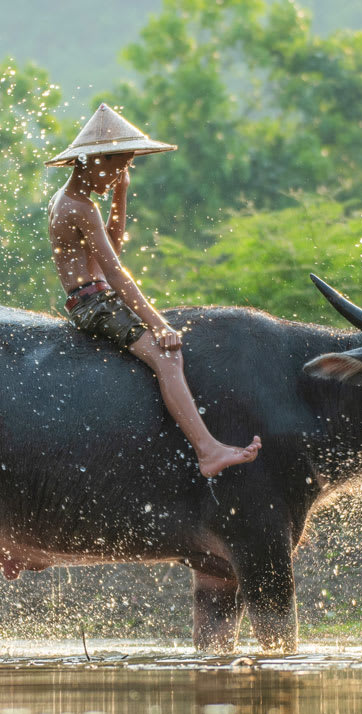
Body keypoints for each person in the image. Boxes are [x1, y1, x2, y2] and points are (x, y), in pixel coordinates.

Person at [46, 104, 261, 478]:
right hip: (95, 305)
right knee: (168, 358)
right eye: (117, 165)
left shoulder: (71, 201)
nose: (119, 175)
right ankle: (208, 450)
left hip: (92, 298)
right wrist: (158, 324)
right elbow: (115, 273)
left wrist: (120, 197)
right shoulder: (79, 208)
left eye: (126, 167)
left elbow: (111, 251)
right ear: (89, 161)